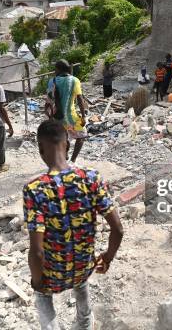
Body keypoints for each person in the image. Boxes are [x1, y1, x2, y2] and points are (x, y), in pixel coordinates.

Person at [23, 119, 124, 330]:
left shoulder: (35, 189)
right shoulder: (91, 178)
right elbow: (118, 229)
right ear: (67, 145)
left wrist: (37, 281)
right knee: (81, 282)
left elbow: (38, 253)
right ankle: (85, 325)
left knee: (41, 294)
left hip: (53, 277)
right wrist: (107, 257)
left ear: (40, 150)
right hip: (82, 269)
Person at [46, 59, 87, 163]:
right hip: (71, 117)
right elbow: (80, 99)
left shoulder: (52, 81)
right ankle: (73, 160)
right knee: (81, 135)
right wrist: (83, 115)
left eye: (55, 69)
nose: (54, 71)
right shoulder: (75, 80)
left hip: (57, 117)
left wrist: (49, 115)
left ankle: (65, 154)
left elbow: (49, 100)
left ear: (59, 69)